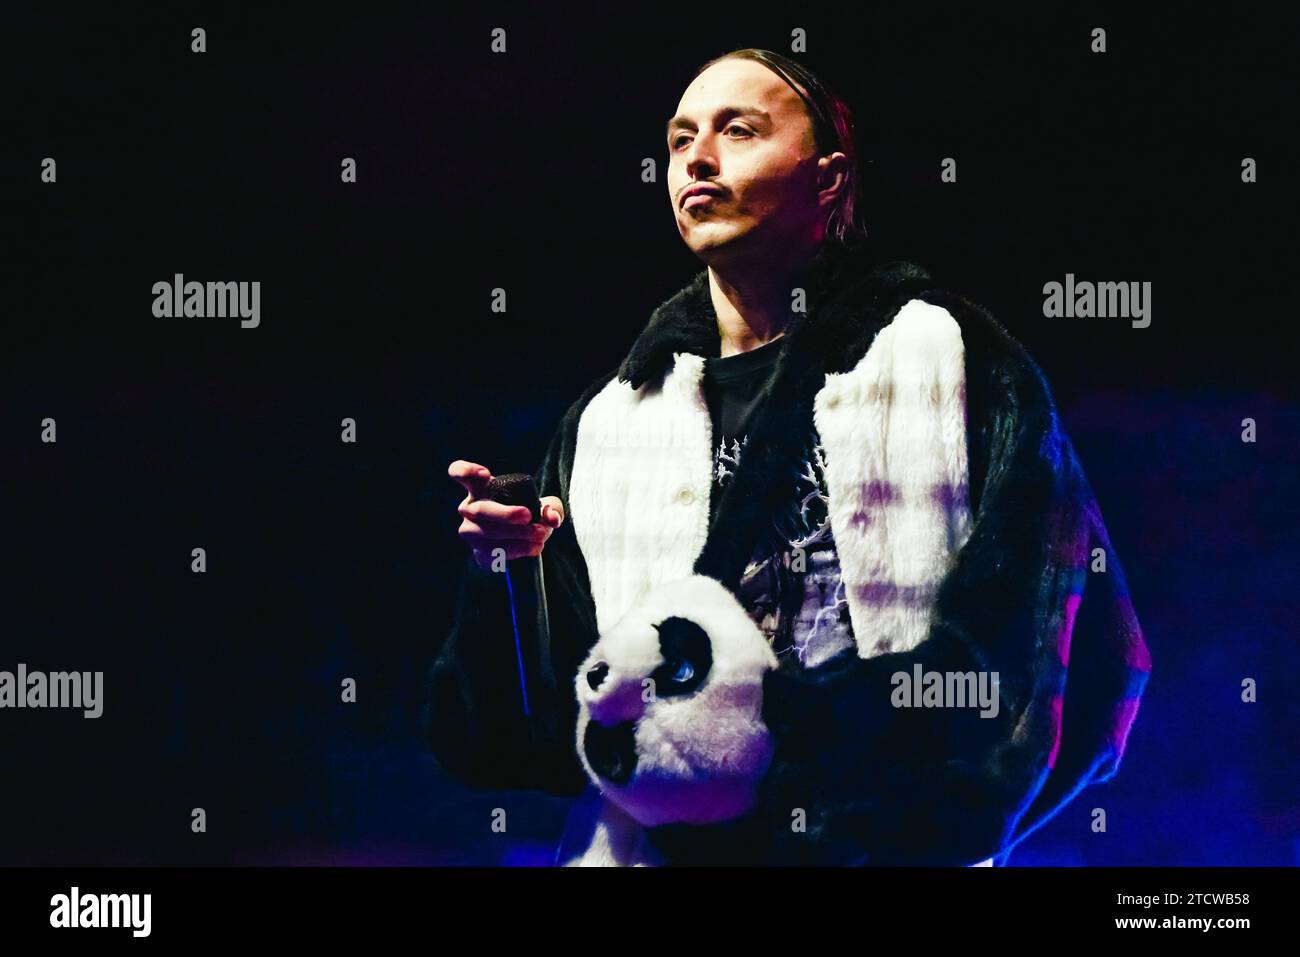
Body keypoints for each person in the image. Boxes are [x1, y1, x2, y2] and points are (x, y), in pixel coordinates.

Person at [422, 48, 1151, 866]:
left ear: (829, 179)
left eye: (739, 130)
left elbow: (1077, 661)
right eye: (679, 139)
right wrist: (506, 575)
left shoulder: (948, 358)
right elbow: (523, 738)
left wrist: (904, 812)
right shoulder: (610, 421)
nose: (697, 157)